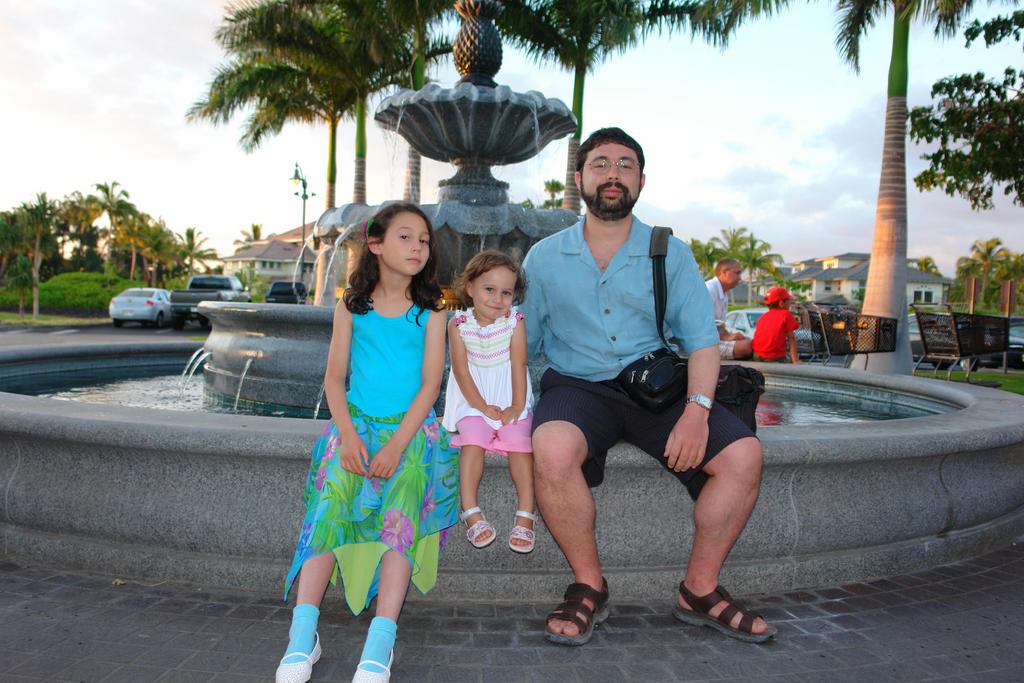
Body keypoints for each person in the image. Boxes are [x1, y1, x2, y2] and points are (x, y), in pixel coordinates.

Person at [521, 127, 776, 647]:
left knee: (744, 455)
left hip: (653, 388)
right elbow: (522, 343)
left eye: (625, 164)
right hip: (577, 388)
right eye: (600, 164)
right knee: (551, 447)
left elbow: (702, 342)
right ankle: (589, 585)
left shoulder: (670, 253)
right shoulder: (543, 258)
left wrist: (697, 412)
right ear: (579, 178)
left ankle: (699, 590)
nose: (612, 174)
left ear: (640, 180)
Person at [276, 203, 459, 683]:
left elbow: (430, 386)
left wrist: (397, 445)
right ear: (375, 245)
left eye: (424, 240)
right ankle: (303, 633)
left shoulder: (432, 310)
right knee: (329, 510)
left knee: (401, 515)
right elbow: (334, 380)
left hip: (410, 433)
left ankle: (382, 637)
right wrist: (348, 436)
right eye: (406, 237)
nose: (418, 247)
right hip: (353, 429)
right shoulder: (351, 306)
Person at [442, 250, 537, 553]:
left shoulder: (514, 322)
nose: (498, 299)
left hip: (510, 394)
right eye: (489, 289)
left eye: (506, 292)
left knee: (520, 443)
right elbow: (461, 371)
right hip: (473, 398)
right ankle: (470, 509)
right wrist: (481, 407)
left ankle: (526, 513)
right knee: (473, 440)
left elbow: (519, 365)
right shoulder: (458, 324)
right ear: (470, 287)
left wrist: (517, 406)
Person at [706, 258, 753, 360]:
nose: (740, 278)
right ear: (724, 272)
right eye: (737, 273)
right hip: (700, 345)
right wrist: (728, 337)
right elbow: (701, 326)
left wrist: (731, 336)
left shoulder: (723, 294)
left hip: (710, 341)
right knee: (747, 346)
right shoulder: (709, 290)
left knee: (749, 343)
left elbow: (719, 327)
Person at [752, 286, 801, 364]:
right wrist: (795, 360)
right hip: (774, 357)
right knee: (789, 359)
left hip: (756, 355)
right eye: (789, 301)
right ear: (781, 303)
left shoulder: (763, 317)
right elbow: (792, 338)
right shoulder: (786, 314)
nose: (790, 304)